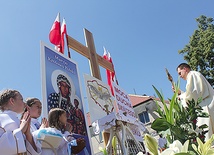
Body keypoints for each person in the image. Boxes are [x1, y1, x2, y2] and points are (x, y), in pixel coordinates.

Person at [175, 63, 214, 141]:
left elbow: (193, 94)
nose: (180, 76)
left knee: (206, 137)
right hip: (205, 104)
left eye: (180, 73)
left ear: (185, 69)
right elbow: (193, 94)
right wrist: (181, 93)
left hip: (205, 106)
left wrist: (181, 97)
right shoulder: (194, 76)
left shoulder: (192, 75)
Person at [0, 89, 41, 155]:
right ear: (12, 101)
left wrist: (28, 135)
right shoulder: (1, 120)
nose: (25, 103)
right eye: (21, 100)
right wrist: (21, 130)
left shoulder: (21, 121)